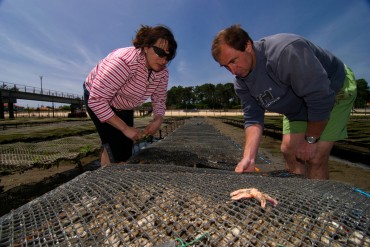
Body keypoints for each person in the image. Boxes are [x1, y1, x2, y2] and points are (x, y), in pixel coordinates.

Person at [211, 24, 357, 179]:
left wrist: (310, 140)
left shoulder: (285, 52)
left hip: (332, 91)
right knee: (289, 151)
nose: (233, 71)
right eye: (226, 66)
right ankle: (299, 196)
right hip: (296, 106)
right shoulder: (241, 83)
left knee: (315, 158)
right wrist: (249, 157)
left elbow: (319, 97)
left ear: (247, 45)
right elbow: (253, 119)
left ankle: (314, 200)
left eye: (234, 61)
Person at [83, 25, 177, 166]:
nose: (164, 60)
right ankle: (108, 178)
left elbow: (159, 100)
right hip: (98, 97)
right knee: (114, 146)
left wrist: (158, 119)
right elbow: (97, 101)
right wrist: (125, 128)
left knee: (125, 148)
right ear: (146, 47)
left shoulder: (162, 73)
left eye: (168, 56)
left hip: (125, 104)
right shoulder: (124, 62)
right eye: (160, 53)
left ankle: (114, 168)